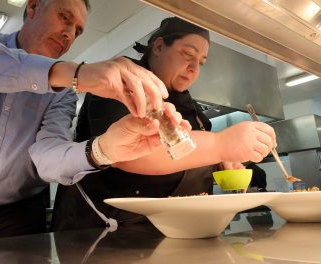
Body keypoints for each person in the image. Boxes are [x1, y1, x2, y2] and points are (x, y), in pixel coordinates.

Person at [0, 0, 186, 237]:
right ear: (32, 7)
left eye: (78, 30)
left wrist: (103, 150)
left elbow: (47, 155)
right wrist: (78, 73)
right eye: (65, 17)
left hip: (22, 215)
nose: (69, 34)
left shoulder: (62, 96)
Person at [51, 17, 276, 231]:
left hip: (178, 230)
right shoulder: (121, 82)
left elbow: (195, 155)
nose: (194, 68)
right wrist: (220, 144)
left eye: (201, 62)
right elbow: (128, 154)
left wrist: (221, 160)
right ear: (158, 46)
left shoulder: (193, 110)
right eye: (188, 54)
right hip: (106, 230)